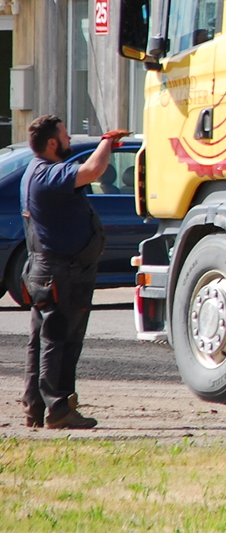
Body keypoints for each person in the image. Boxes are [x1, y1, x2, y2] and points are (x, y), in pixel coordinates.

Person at [20, 115, 128, 430]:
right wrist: (107, 142)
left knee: (42, 340)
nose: (69, 141)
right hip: (61, 272)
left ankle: (36, 408)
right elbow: (93, 170)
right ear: (52, 143)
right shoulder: (47, 174)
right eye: (66, 137)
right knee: (60, 340)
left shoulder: (35, 171)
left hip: (48, 269)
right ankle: (58, 409)